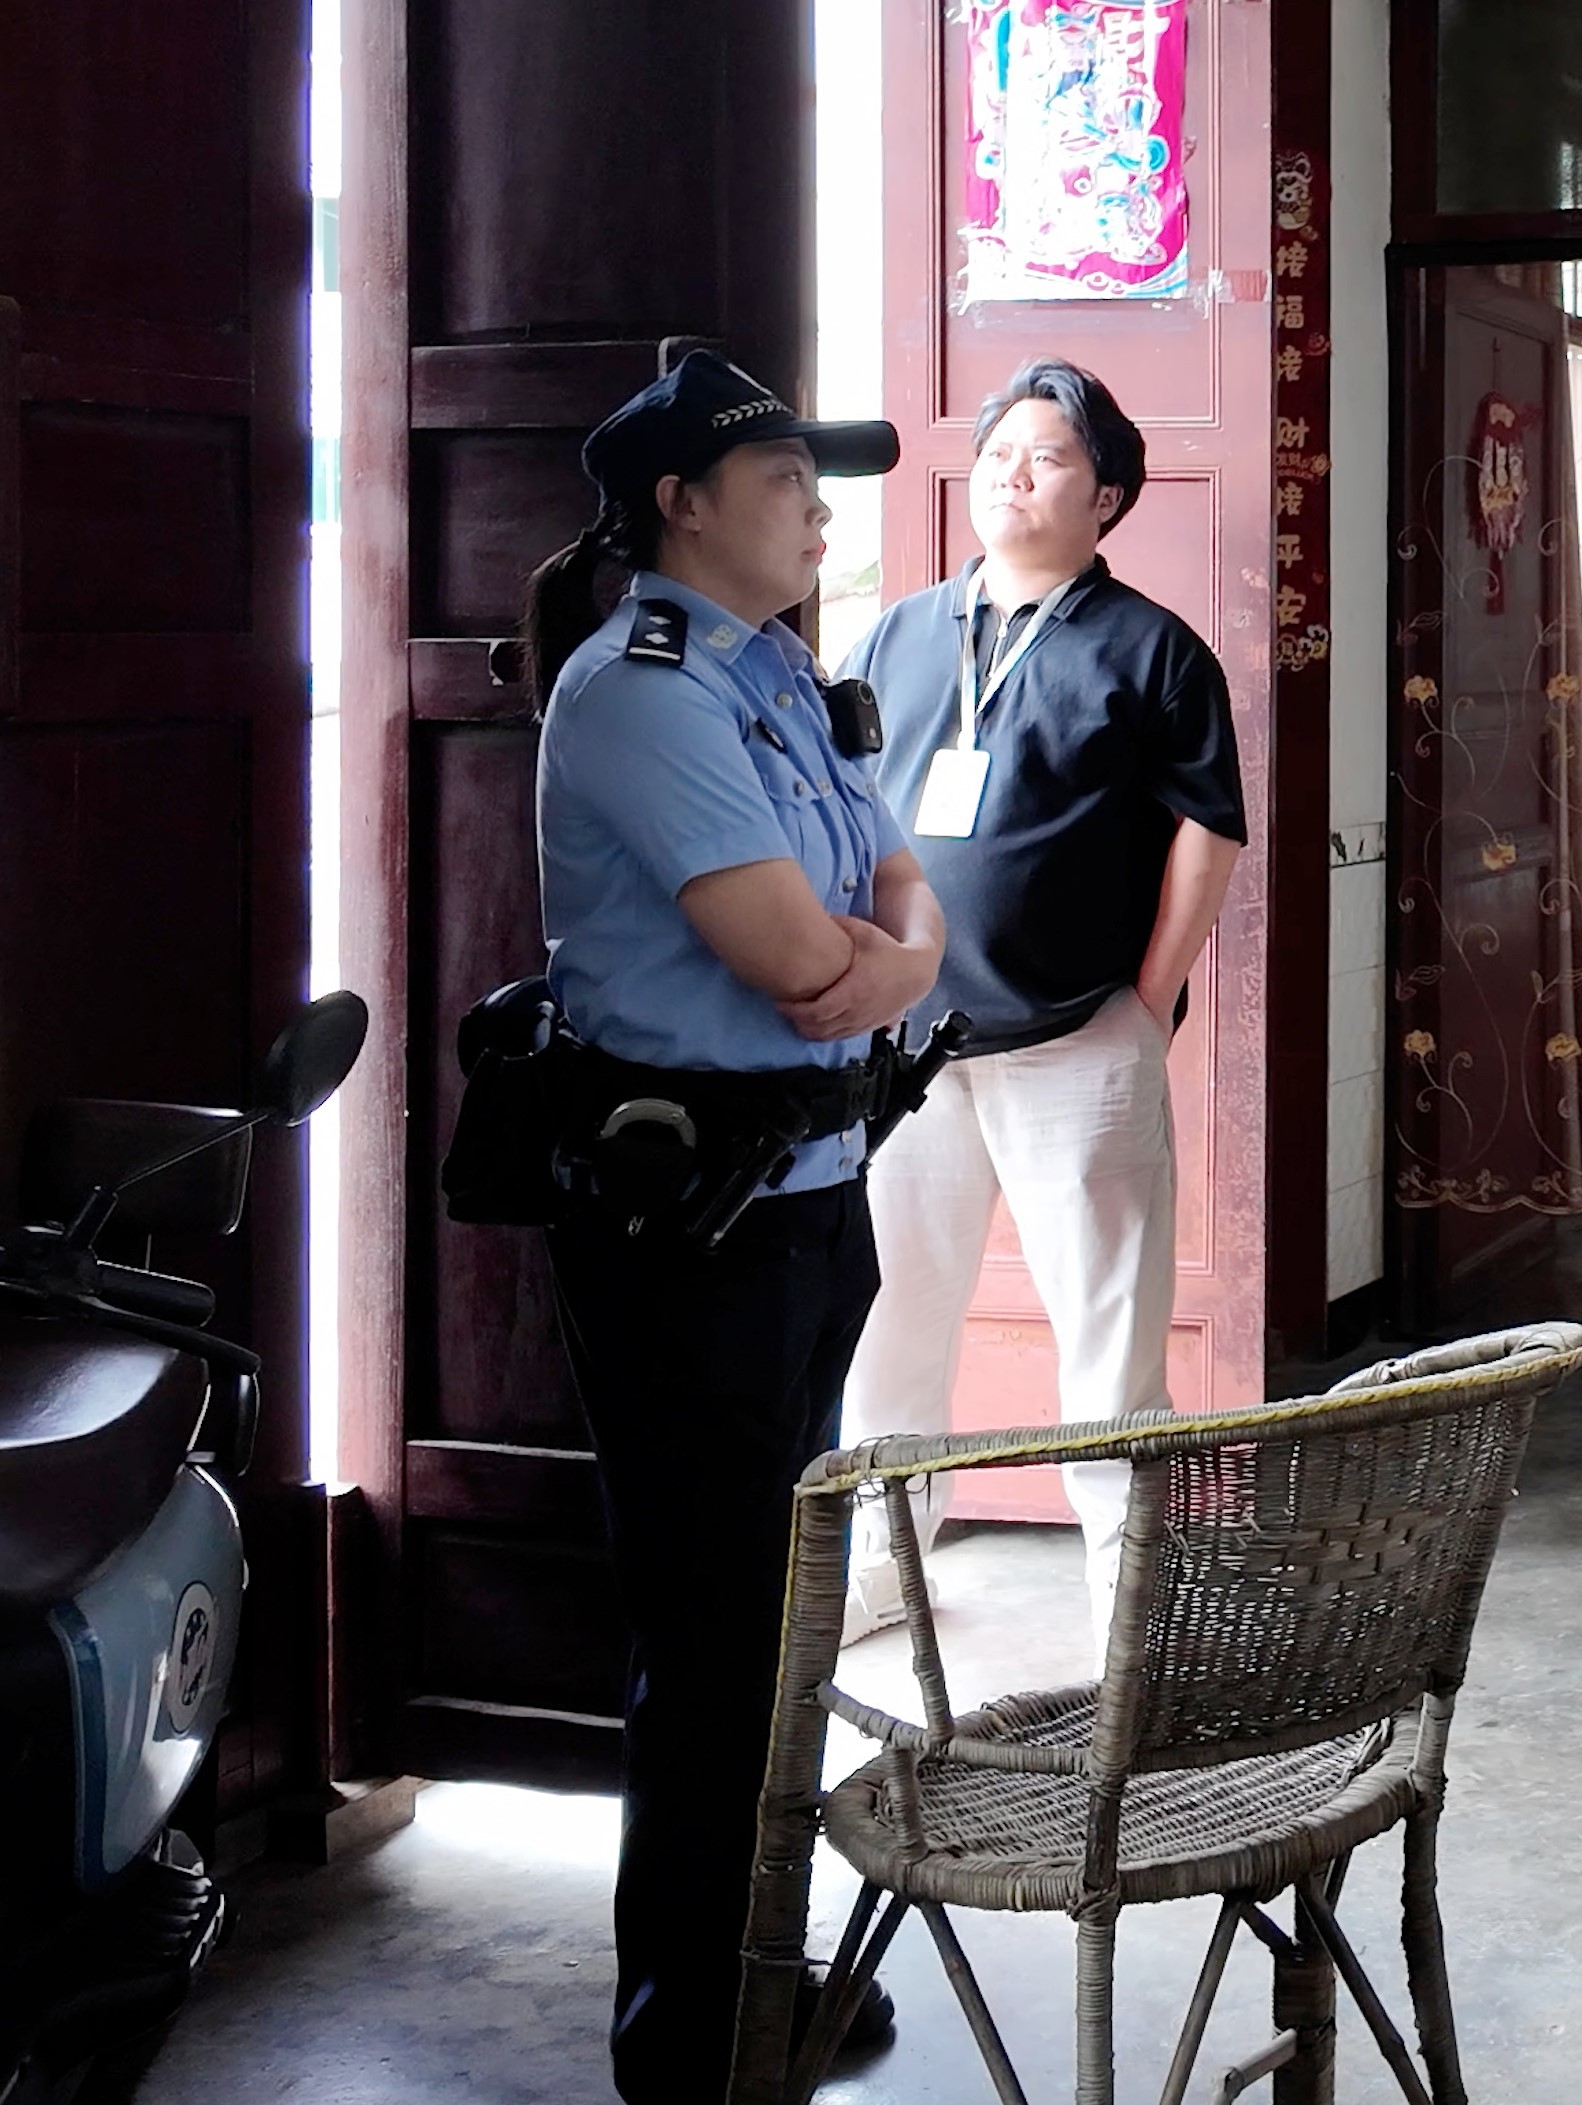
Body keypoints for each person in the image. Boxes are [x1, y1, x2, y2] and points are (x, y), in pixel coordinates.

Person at [521, 349, 939, 2099]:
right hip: (690, 1237)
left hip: (814, 1205)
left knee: (785, 1621)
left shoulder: (780, 676)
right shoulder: (644, 692)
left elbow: (903, 894)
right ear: (680, 504)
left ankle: (762, 1971)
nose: (818, 513)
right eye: (782, 481)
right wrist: (891, 957)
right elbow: (792, 955)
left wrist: (898, 958)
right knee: (713, 1639)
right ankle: (689, 2037)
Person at [836, 356, 1247, 1644]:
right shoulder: (896, 635)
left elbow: (1209, 833)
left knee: (1110, 1341)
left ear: (1107, 496)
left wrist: (1147, 1001)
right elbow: (840, 806)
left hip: (1078, 1037)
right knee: (889, 1323)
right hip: (906, 1049)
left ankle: (1131, 1602)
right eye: (999, 450)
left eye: (1049, 456)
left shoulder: (1153, 650)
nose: (1013, 472)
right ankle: (884, 1570)